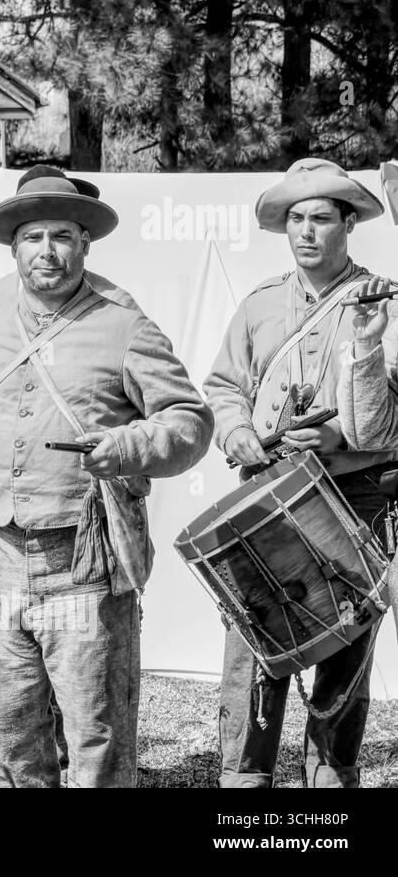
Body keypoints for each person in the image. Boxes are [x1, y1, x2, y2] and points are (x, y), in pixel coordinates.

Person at [0, 165, 212, 788]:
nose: (46, 251)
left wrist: (130, 445)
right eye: (33, 237)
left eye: (61, 237)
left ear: (84, 243)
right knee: (9, 736)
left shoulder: (122, 321)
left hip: (84, 563)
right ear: (14, 244)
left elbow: (191, 423)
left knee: (96, 742)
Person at [204, 157, 392, 789]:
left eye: (320, 219)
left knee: (346, 645)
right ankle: (244, 780)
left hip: (356, 494)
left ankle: (330, 781)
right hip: (269, 491)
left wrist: (338, 434)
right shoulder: (259, 307)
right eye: (295, 220)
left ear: (348, 224)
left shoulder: (381, 303)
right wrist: (237, 433)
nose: (306, 232)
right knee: (254, 640)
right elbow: (224, 385)